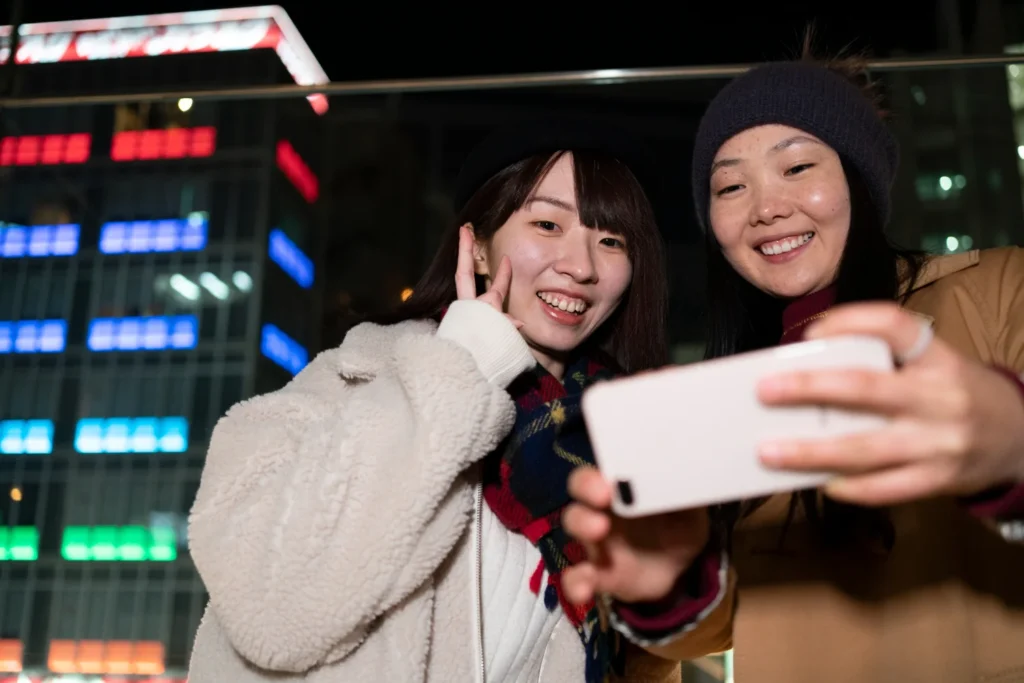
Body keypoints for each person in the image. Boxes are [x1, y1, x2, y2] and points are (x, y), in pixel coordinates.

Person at [186, 119, 732, 683]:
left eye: (611, 240)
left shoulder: (610, 443)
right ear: (476, 248)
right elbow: (275, 617)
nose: (582, 265)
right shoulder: (354, 380)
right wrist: (462, 368)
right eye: (547, 224)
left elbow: (646, 663)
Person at [563, 52, 1024, 682]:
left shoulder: (998, 289)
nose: (766, 207)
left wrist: (1009, 444)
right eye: (731, 186)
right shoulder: (730, 392)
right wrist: (672, 584)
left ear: (858, 180)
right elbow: (726, 627)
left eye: (798, 166)